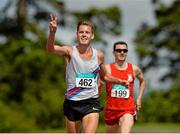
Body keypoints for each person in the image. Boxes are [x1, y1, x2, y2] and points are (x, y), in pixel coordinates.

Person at [46, 15, 128, 133]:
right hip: (72, 102)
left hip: (91, 102)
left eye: (87, 32)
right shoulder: (69, 51)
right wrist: (52, 32)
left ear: (92, 36)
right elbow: (50, 49)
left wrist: (119, 80)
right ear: (77, 34)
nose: (84, 34)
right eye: (81, 32)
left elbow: (104, 76)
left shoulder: (99, 55)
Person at [102, 41, 146, 133]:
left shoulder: (134, 69)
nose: (122, 52)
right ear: (113, 53)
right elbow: (99, 81)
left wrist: (139, 98)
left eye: (124, 50)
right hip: (111, 110)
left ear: (127, 52)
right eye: (119, 50)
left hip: (127, 109)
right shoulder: (107, 69)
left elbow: (142, 81)